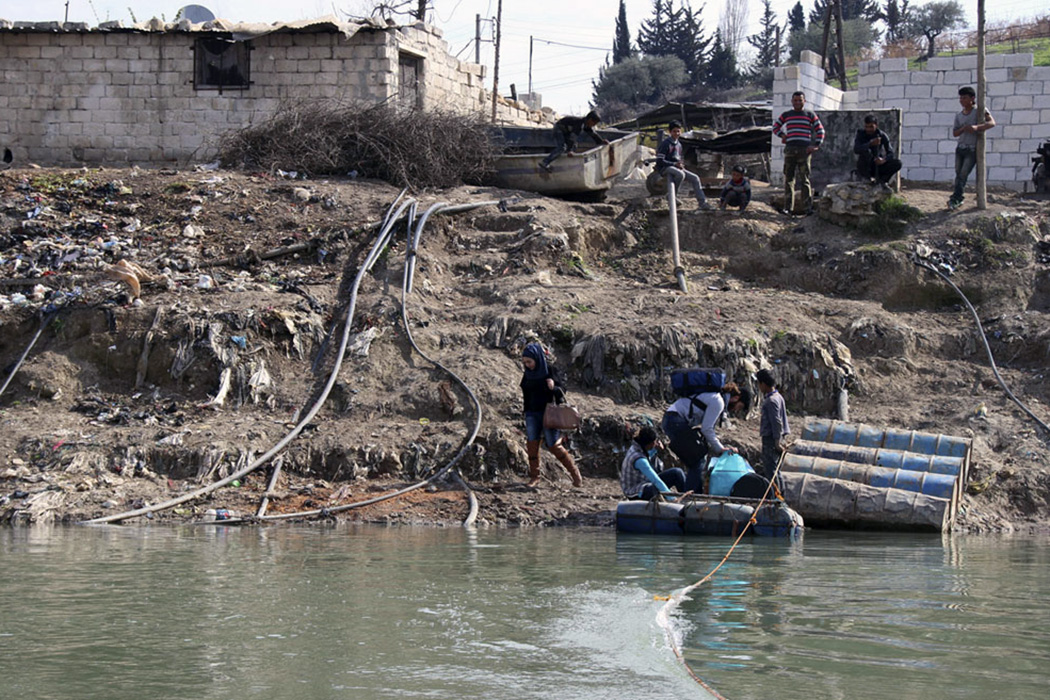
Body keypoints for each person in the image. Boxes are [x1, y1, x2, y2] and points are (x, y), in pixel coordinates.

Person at [661, 381, 751, 493]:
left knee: (696, 458)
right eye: (739, 406)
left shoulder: (716, 397)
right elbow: (707, 429)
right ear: (736, 398)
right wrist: (720, 449)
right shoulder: (718, 401)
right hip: (675, 421)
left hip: (672, 420)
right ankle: (691, 496)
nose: (736, 410)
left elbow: (708, 429)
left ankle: (689, 491)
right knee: (698, 458)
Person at [520, 342, 582, 487]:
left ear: (537, 358)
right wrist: (527, 411)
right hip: (532, 413)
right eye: (525, 362)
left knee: (553, 445)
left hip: (550, 413)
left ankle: (575, 474)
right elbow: (525, 391)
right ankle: (535, 477)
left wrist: (553, 387)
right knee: (532, 444)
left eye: (529, 361)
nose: (528, 365)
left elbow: (562, 390)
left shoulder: (549, 370)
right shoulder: (528, 374)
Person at [772, 91, 824, 216]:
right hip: (790, 149)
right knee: (789, 179)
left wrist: (816, 145)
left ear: (804, 101)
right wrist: (783, 135)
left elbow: (820, 130)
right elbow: (775, 127)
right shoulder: (787, 115)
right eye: (795, 100)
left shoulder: (810, 114)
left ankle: (808, 208)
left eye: (800, 100)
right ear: (792, 101)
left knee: (805, 179)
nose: (797, 103)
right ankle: (788, 208)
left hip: (804, 151)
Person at [949, 86, 996, 210]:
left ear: (972, 99)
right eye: (961, 98)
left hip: (972, 149)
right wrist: (964, 129)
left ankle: (956, 198)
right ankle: (958, 197)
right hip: (961, 148)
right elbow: (955, 133)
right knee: (958, 173)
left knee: (963, 174)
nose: (962, 100)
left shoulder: (979, 111)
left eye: (964, 98)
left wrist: (976, 128)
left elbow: (991, 123)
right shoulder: (959, 115)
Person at [655, 120, 713, 211]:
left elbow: (678, 158)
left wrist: (681, 164)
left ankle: (702, 203)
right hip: (665, 167)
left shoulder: (679, 145)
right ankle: (672, 196)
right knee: (680, 174)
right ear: (670, 132)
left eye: (678, 131)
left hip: (675, 167)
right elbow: (659, 161)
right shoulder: (666, 144)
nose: (676, 133)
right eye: (674, 131)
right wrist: (674, 164)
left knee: (695, 178)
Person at [619, 426, 688, 500]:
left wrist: (656, 449)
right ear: (649, 444)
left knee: (677, 473)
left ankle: (688, 498)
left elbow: (648, 455)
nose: (656, 443)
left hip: (645, 482)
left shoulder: (638, 447)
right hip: (634, 492)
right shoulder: (639, 460)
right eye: (654, 442)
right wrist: (672, 498)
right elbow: (656, 480)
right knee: (655, 490)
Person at [539, 110, 609, 173]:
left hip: (566, 131)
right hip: (559, 129)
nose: (593, 125)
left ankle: (567, 162)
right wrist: (569, 150)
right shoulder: (579, 124)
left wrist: (600, 141)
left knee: (574, 146)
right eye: (594, 124)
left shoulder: (585, 124)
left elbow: (592, 133)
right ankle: (545, 162)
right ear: (590, 120)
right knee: (562, 148)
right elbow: (572, 138)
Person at [756, 368, 790, 483]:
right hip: (778, 438)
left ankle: (775, 498)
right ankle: (779, 495)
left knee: (771, 472)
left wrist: (777, 442)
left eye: (759, 384)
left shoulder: (771, 401)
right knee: (777, 471)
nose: (759, 387)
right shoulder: (778, 397)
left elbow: (776, 422)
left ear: (763, 384)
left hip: (771, 440)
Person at [853, 114, 902, 186]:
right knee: (866, 152)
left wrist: (883, 160)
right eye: (867, 127)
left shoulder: (882, 135)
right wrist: (870, 144)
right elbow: (856, 149)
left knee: (897, 163)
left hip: (877, 165)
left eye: (871, 127)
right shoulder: (861, 134)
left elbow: (890, 153)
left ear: (876, 125)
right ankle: (866, 179)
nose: (868, 129)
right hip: (865, 166)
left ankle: (882, 182)